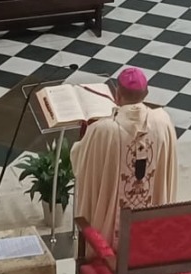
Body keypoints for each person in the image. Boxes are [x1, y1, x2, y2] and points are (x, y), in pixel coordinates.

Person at [70, 66, 178, 246]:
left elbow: (79, 162)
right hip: (152, 241)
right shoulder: (163, 122)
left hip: (108, 247)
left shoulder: (102, 131)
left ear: (117, 95)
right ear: (146, 94)